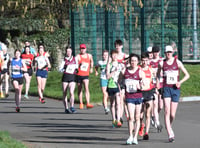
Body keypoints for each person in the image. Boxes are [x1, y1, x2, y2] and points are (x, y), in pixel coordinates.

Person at [157, 45, 190, 142]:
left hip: (175, 89)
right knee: (166, 110)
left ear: (172, 53)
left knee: (172, 114)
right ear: (165, 53)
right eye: (167, 52)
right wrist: (158, 83)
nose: (168, 54)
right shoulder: (162, 63)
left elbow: (187, 75)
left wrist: (180, 82)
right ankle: (170, 133)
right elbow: (157, 74)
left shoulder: (178, 62)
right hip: (166, 88)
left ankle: (169, 126)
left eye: (170, 52)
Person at [123, 53, 144, 145]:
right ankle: (130, 136)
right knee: (131, 117)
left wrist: (140, 86)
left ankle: (135, 137)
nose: (133, 62)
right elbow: (120, 81)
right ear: (129, 61)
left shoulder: (140, 72)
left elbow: (144, 85)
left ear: (138, 62)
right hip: (129, 97)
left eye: (135, 61)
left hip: (138, 96)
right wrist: (122, 88)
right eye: (132, 61)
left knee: (137, 117)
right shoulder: (125, 71)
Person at [106, 50, 124, 128]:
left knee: (118, 102)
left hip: (117, 86)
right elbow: (107, 76)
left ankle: (119, 119)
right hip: (110, 85)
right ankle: (114, 119)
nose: (114, 56)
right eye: (113, 55)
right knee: (112, 103)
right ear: (111, 56)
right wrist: (113, 71)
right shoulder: (109, 65)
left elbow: (123, 74)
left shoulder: (120, 65)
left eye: (116, 55)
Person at [139, 52, 155, 140]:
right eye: (143, 61)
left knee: (148, 114)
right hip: (140, 92)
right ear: (141, 61)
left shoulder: (151, 69)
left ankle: (146, 133)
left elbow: (154, 80)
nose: (144, 62)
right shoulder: (138, 69)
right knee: (140, 114)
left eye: (146, 60)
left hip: (149, 92)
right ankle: (141, 125)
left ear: (148, 61)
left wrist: (156, 88)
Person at [59, 46, 78, 113]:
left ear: (71, 51)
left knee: (71, 92)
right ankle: (66, 108)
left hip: (72, 77)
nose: (68, 53)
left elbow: (77, 67)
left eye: (69, 51)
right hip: (65, 77)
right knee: (64, 93)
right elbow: (60, 70)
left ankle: (72, 106)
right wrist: (64, 67)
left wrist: (77, 70)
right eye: (67, 51)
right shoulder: (64, 60)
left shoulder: (75, 59)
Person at [114, 39, 129, 122]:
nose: (117, 47)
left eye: (119, 45)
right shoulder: (113, 56)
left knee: (122, 98)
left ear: (122, 46)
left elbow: (130, 65)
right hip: (114, 80)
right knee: (117, 99)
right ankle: (118, 116)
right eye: (116, 45)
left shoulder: (125, 56)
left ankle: (120, 116)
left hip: (123, 79)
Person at [150, 46, 163, 131]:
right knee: (155, 104)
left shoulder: (162, 60)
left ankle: (154, 116)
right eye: (154, 52)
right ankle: (157, 122)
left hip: (162, 84)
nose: (156, 53)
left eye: (157, 52)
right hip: (153, 84)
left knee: (160, 106)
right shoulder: (150, 62)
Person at [76, 44, 94, 109]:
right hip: (79, 74)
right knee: (79, 88)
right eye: (81, 49)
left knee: (86, 87)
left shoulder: (89, 56)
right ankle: (81, 103)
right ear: (80, 49)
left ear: (86, 49)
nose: (82, 50)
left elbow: (92, 61)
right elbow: (75, 65)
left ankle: (88, 103)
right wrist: (80, 64)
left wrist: (91, 68)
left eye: (83, 48)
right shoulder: (78, 56)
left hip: (86, 74)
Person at [95, 50, 110, 114]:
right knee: (105, 93)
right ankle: (106, 108)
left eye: (106, 55)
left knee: (108, 94)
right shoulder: (100, 62)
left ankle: (105, 103)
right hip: (103, 78)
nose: (105, 56)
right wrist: (96, 71)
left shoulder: (110, 62)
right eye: (104, 55)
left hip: (109, 79)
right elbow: (96, 66)